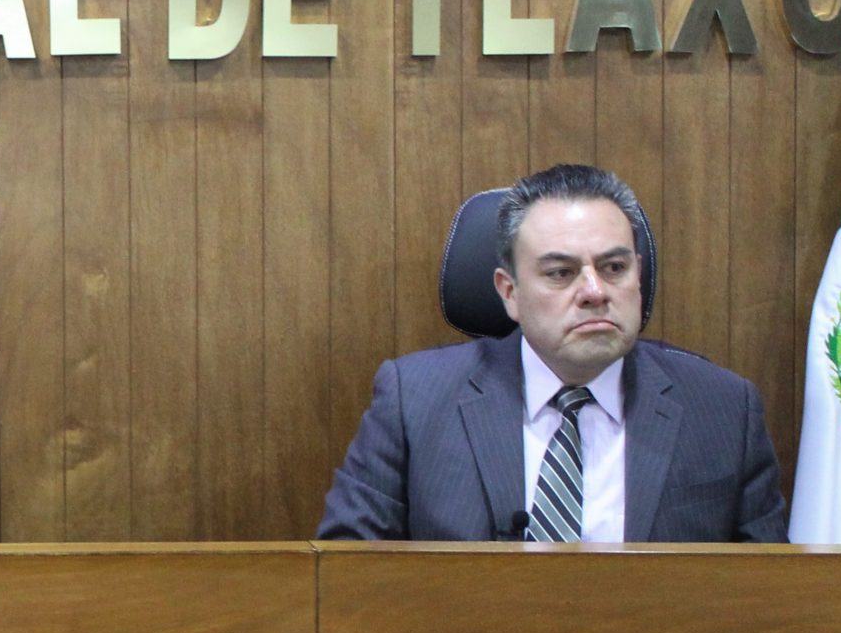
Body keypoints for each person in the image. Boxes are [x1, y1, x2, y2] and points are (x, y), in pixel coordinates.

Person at [317, 163, 788, 543]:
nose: (595, 292)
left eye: (614, 267)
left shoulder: (724, 410)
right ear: (510, 292)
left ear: (638, 275)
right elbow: (346, 575)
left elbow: (766, 596)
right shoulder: (414, 401)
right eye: (561, 273)